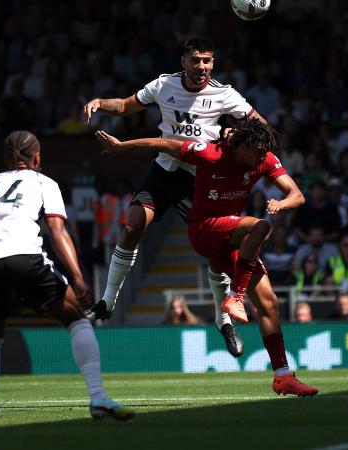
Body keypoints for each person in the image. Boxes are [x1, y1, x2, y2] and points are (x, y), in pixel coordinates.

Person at [96, 120, 318, 397]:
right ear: (242, 146)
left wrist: (281, 204)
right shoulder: (210, 153)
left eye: (264, 153)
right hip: (204, 229)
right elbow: (163, 144)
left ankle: (282, 376)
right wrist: (121, 147)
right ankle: (235, 296)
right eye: (258, 152)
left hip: (232, 236)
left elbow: (296, 194)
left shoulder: (262, 160)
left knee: (269, 302)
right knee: (262, 227)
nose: (262, 158)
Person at [83, 36, 266, 358]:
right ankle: (107, 303)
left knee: (215, 251)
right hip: (166, 168)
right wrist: (101, 102)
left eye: (207, 61)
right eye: (196, 60)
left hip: (203, 176)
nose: (202, 67)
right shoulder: (163, 85)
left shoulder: (224, 94)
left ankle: (224, 321)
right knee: (133, 225)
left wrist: (237, 133)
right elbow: (125, 105)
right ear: (183, 61)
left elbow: (260, 125)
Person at [0, 131, 134, 428]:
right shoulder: (44, 183)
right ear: (38, 158)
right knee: (77, 318)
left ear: (5, 159)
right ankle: (98, 396)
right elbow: (57, 232)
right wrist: (78, 277)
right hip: (25, 258)